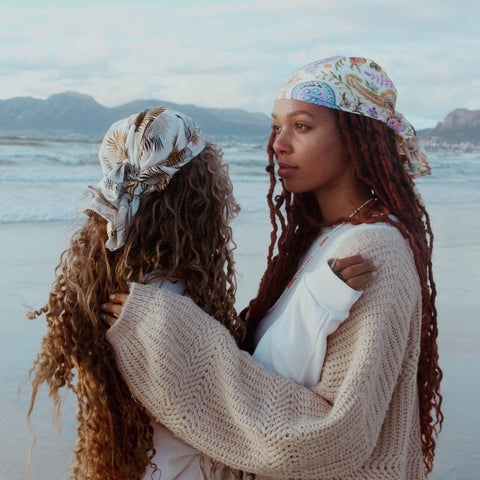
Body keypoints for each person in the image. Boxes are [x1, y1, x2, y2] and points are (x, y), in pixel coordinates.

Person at [103, 56, 443, 479]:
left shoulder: (373, 247)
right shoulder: (322, 238)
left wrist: (175, 334)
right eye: (276, 126)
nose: (279, 143)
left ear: (357, 138)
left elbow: (336, 434)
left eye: (301, 126)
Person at [27, 105, 373, 480]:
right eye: (213, 173)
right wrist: (320, 302)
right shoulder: (156, 300)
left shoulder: (121, 274)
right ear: (195, 192)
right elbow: (248, 408)